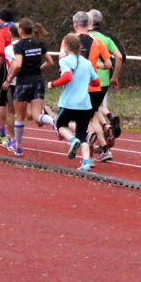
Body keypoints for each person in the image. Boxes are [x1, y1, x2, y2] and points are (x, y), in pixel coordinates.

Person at [48, 33, 101, 172]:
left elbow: (67, 77)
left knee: (59, 125)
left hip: (69, 103)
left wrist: (53, 84)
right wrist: (84, 82)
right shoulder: (87, 63)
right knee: (82, 134)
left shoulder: (65, 61)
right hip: (85, 104)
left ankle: (72, 140)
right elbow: (97, 82)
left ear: (66, 46)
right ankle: (86, 162)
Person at [7, 18, 54, 157]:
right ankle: (54, 122)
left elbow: (18, 64)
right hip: (38, 82)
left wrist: (9, 79)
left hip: (23, 82)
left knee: (19, 116)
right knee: (37, 115)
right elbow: (50, 62)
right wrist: (39, 69)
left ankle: (18, 147)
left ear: (21, 30)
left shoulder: (19, 46)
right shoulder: (39, 43)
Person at [72, 11, 113, 157]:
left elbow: (63, 60)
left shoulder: (70, 40)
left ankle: (88, 157)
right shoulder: (97, 41)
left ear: (75, 24)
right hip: (95, 86)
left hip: (79, 86)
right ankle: (105, 148)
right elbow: (109, 64)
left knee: (81, 122)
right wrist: (96, 65)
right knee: (93, 116)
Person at [89, 9, 125, 157]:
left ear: (90, 21)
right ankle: (108, 119)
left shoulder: (86, 37)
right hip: (104, 79)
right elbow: (120, 57)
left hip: (90, 79)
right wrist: (114, 77)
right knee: (97, 107)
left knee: (90, 114)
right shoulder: (107, 38)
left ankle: (100, 148)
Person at [0, 8, 17, 144]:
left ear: (2, 19)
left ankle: (2, 134)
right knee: (16, 104)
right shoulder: (19, 29)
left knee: (2, 101)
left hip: (7, 68)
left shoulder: (0, 32)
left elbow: (1, 51)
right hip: (20, 68)